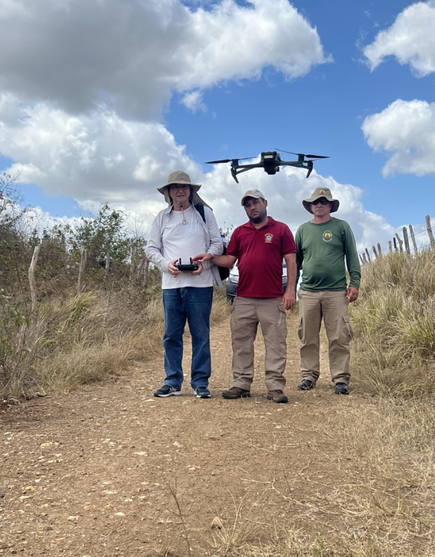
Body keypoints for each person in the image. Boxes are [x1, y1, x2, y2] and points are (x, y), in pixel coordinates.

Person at [196, 190, 296, 404]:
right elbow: (229, 260)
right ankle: (241, 384)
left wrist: (290, 290)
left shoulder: (281, 229)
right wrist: (211, 257)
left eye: (255, 203)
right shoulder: (240, 232)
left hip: (272, 298)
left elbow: (291, 260)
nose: (252, 207)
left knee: (276, 344)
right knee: (241, 344)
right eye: (248, 205)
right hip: (243, 298)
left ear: (265, 203)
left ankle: (275, 387)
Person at [145, 171, 223, 399]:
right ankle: (172, 382)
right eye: (175, 187)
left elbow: (217, 244)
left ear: (191, 191)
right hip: (171, 286)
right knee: (171, 335)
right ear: (168, 192)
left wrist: (205, 263)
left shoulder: (204, 213)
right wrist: (165, 265)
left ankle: (200, 382)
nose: (180, 191)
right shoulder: (162, 217)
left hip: (200, 285)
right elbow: (151, 248)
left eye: (184, 187)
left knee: (201, 335)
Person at [295, 186, 361, 395]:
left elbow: (352, 257)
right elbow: (295, 262)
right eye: (315, 202)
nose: (319, 205)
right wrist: (290, 289)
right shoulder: (302, 230)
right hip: (308, 291)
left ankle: (340, 379)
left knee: (339, 337)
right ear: (310, 206)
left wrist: (355, 283)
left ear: (331, 205)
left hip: (336, 292)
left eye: (323, 201)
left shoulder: (342, 227)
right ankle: (309, 376)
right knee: (308, 337)